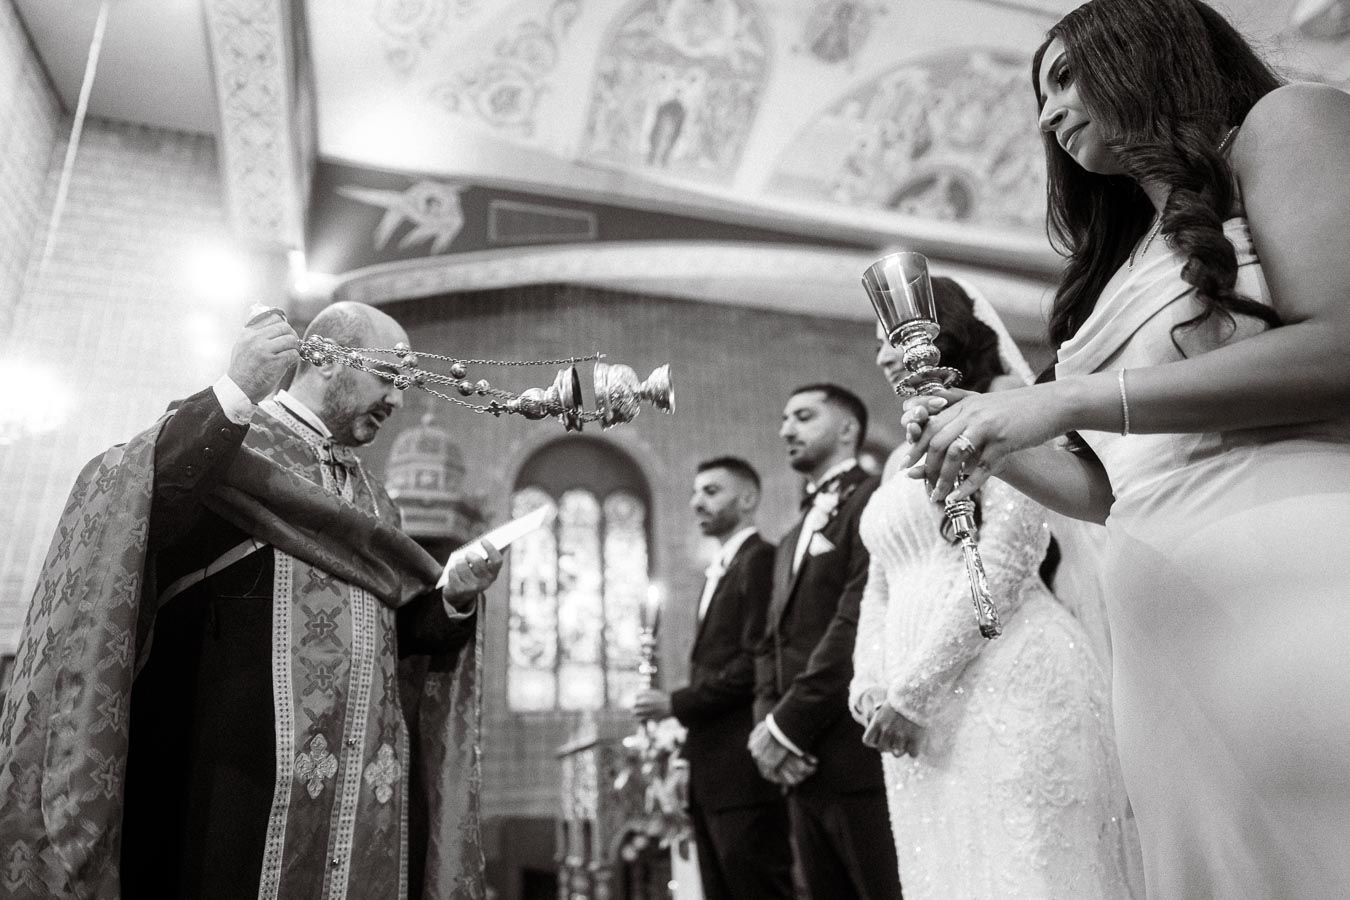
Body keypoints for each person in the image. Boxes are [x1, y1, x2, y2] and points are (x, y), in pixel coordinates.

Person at [900, 1, 1350, 896]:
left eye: (1065, 77)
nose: (1045, 115)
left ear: (1144, 52)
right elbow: (1105, 491)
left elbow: (1341, 345)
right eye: (1040, 95)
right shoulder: (1116, 263)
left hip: (1294, 575)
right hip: (1164, 629)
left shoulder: (1286, 124)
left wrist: (1066, 395)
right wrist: (980, 420)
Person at [0, 302, 502, 900]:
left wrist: (454, 600)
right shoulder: (233, 445)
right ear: (327, 359)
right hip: (233, 788)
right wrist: (234, 392)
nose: (399, 400)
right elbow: (139, 508)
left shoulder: (377, 499)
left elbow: (400, 638)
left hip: (361, 794)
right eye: (391, 376)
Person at [849, 277, 1139, 899]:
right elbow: (880, 581)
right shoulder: (903, 453)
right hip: (914, 709)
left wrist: (914, 691)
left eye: (891, 338)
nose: (880, 355)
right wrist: (869, 680)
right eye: (875, 343)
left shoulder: (1003, 419)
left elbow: (1008, 563)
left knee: (1024, 867)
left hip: (1009, 681)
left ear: (937, 334)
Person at [751, 384, 901, 900]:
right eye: (784, 418)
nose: (785, 429)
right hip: (799, 766)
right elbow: (770, 643)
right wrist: (767, 728)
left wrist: (787, 725)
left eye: (803, 416)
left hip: (853, 750)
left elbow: (855, 618)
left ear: (847, 430)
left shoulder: (874, 497)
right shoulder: (791, 535)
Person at [631, 456, 793, 900]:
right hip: (712, 769)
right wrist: (684, 756)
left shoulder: (760, 560)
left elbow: (756, 662)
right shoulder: (717, 572)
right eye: (695, 492)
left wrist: (674, 704)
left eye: (711, 491)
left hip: (744, 767)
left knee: (758, 887)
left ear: (747, 499)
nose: (697, 502)